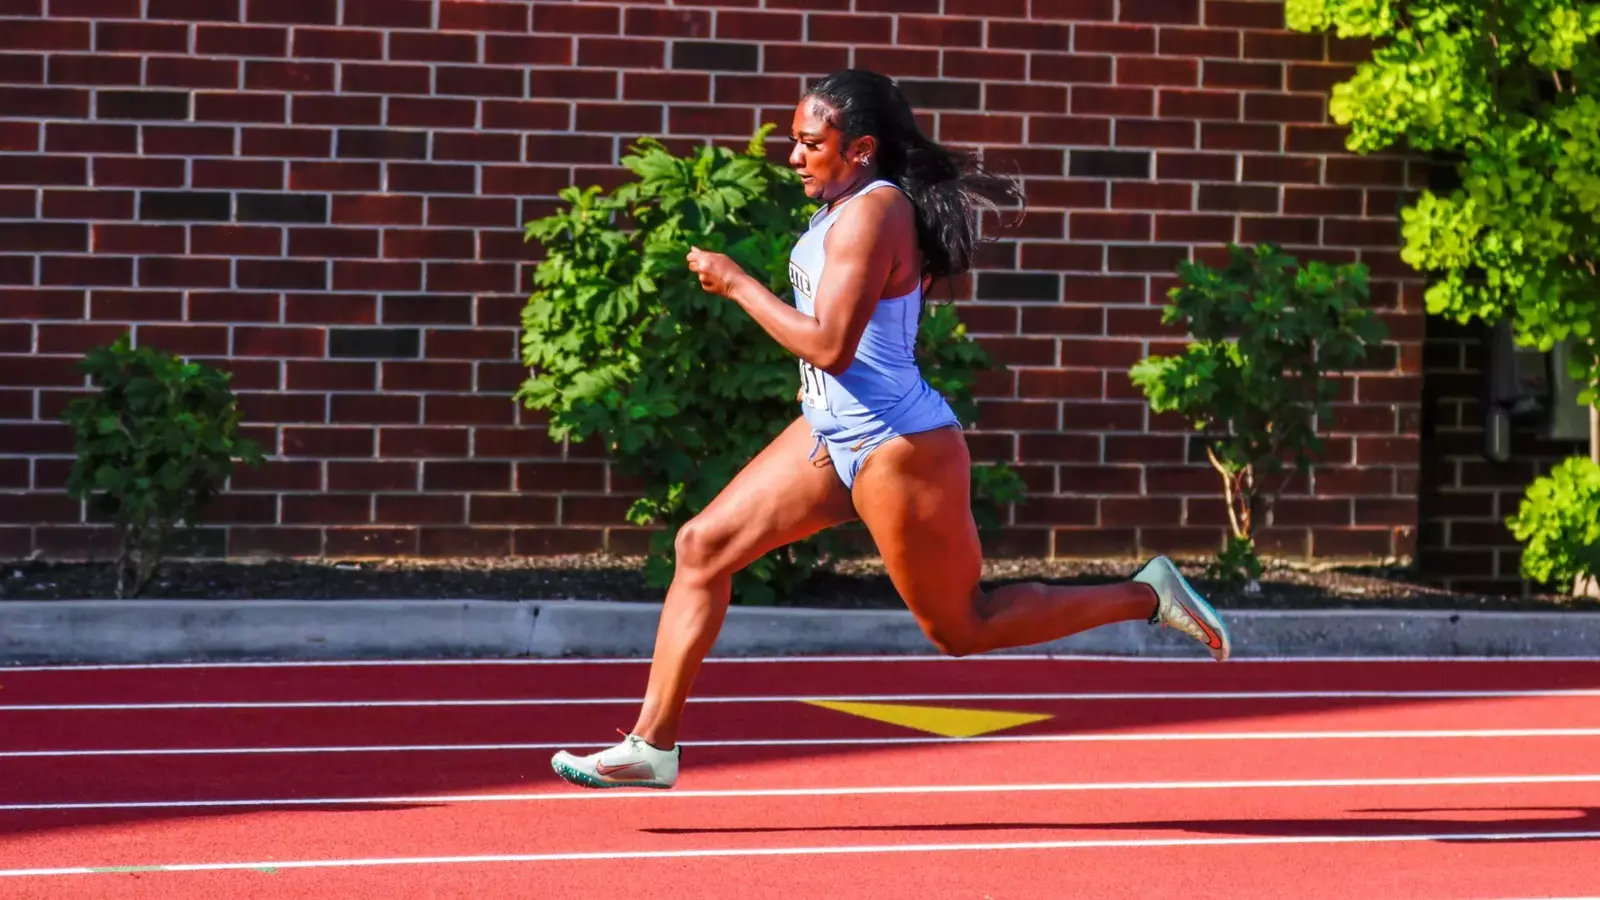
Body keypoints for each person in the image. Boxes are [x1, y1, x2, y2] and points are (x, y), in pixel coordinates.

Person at [550, 69, 1231, 791]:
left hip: (899, 447)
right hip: (830, 433)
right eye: (795, 141)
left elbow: (830, 346)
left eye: (811, 144)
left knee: (963, 628)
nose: (794, 157)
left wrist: (737, 282)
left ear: (861, 148)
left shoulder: (875, 212)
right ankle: (652, 745)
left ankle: (1148, 595)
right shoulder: (843, 207)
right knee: (701, 546)